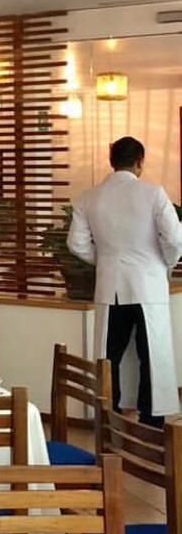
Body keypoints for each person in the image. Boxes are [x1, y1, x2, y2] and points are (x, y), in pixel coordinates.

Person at [67, 135, 182, 425]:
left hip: (110, 287)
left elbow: (76, 243)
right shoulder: (153, 193)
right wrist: (164, 262)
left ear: (112, 161)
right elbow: (175, 239)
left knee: (109, 358)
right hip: (148, 287)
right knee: (151, 357)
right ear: (140, 162)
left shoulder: (89, 197)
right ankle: (151, 423)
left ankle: (110, 420)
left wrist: (105, 259)